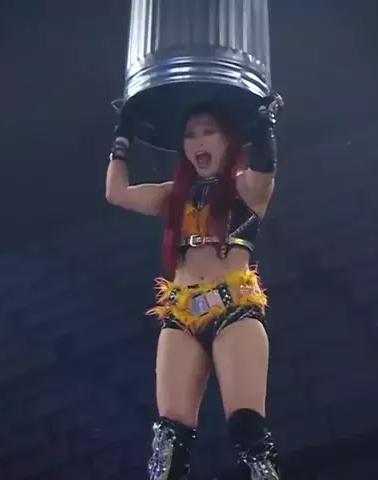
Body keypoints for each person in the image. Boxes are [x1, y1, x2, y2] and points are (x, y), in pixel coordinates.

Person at [105, 94, 283, 480]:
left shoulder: (246, 188)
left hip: (234, 310)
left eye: (208, 132)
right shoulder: (174, 194)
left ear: (227, 139)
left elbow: (265, 168)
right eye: (189, 135)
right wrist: (123, 135)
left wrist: (264, 127)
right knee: (168, 441)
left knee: (248, 432)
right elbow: (116, 193)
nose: (198, 141)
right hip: (181, 314)